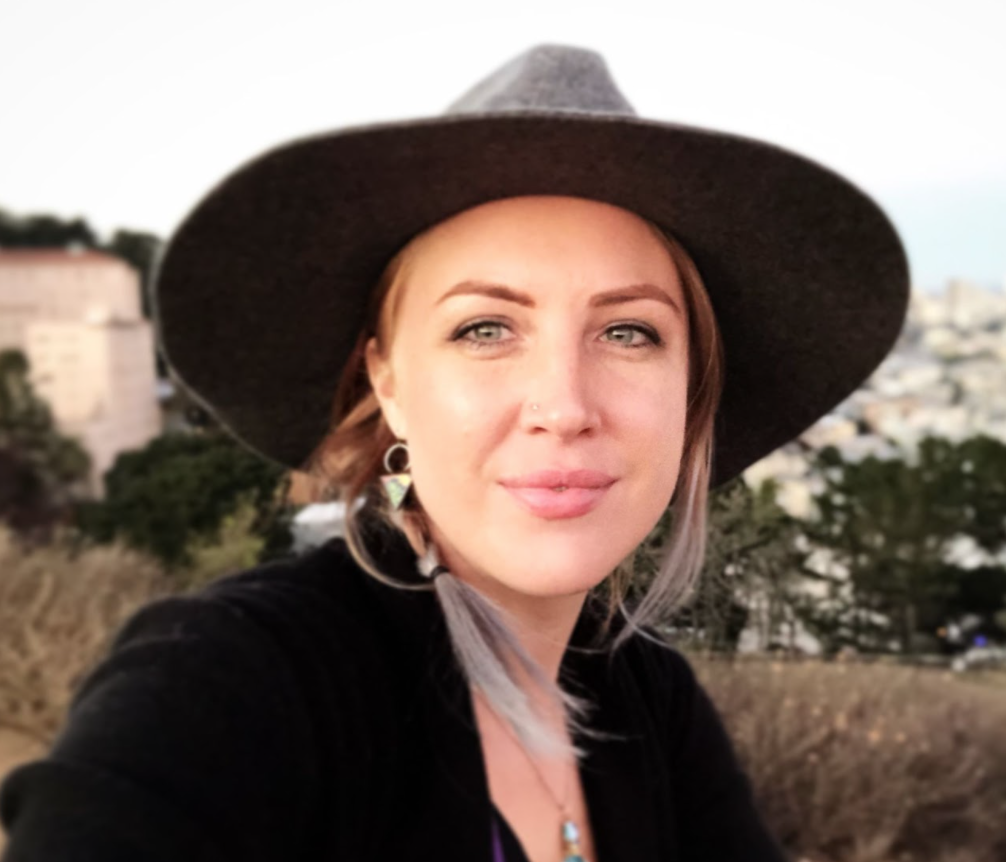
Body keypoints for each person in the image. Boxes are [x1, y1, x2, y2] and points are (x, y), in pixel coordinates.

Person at [0, 44, 909, 862]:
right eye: (484, 328)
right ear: (387, 381)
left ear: (692, 391)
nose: (564, 405)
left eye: (630, 332)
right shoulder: (239, 682)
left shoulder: (649, 708)